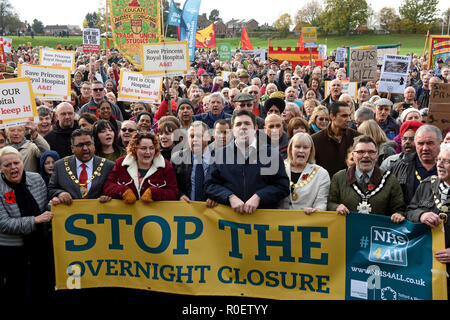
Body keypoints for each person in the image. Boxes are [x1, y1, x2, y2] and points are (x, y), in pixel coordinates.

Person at [205, 109, 290, 213]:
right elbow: (210, 185)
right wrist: (229, 196)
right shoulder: (220, 154)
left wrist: (259, 196)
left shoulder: (271, 153)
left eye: (247, 123)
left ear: (255, 128)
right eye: (238, 124)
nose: (243, 127)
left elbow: (283, 186)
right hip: (229, 220)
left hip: (263, 220)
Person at [0, 146, 54, 300]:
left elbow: (45, 208)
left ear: (22, 163)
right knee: (15, 287)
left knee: (42, 284)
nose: (13, 167)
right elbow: (4, 223)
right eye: (7, 165)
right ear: (0, 168)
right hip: (12, 249)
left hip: (39, 243)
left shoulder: (36, 179)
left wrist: (54, 204)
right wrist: (35, 220)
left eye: (16, 163)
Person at [406, 143, 450, 297]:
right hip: (427, 266)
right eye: (439, 160)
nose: (440, 165)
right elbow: (410, 211)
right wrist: (421, 215)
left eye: (446, 161)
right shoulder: (427, 184)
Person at [327, 135, 405, 223]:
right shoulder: (339, 177)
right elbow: (329, 204)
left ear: (376, 155)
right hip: (347, 233)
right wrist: (336, 207)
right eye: (361, 152)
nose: (366, 156)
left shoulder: (390, 179)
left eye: (371, 152)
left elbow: (400, 208)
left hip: (377, 233)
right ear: (353, 155)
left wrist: (398, 214)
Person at [103, 131, 178, 203]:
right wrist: (123, 191)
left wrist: (154, 193)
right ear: (134, 149)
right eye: (143, 148)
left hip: (154, 214)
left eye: (151, 148)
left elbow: (173, 193)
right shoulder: (121, 163)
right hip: (127, 214)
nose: (148, 152)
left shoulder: (165, 166)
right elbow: (108, 186)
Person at [48, 129, 115, 204]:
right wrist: (60, 193)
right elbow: (51, 189)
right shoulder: (60, 166)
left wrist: (107, 196)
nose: (85, 148)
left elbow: (114, 190)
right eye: (80, 145)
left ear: (94, 145)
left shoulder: (108, 166)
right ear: (72, 149)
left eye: (88, 144)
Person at [279, 132, 330, 213]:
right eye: (297, 147)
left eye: (305, 147)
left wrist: (316, 210)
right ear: (290, 149)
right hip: (279, 222)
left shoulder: (321, 174)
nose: (301, 150)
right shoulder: (279, 167)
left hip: (306, 222)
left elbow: (321, 202)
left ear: (310, 150)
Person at [391, 124, 441, 205]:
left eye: (430, 143)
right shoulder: (401, 166)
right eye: (420, 143)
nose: (425, 148)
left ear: (440, 143)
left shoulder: (447, 167)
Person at [312, 101, 361, 178]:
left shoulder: (357, 138)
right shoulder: (315, 139)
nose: (348, 119)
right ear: (332, 116)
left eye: (349, 116)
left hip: (350, 185)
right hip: (325, 185)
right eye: (344, 116)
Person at [170, 121, 213, 203]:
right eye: (192, 136)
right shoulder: (177, 158)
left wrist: (216, 196)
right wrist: (180, 195)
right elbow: (172, 185)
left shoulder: (219, 157)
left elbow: (226, 183)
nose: (195, 140)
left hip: (214, 211)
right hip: (187, 210)